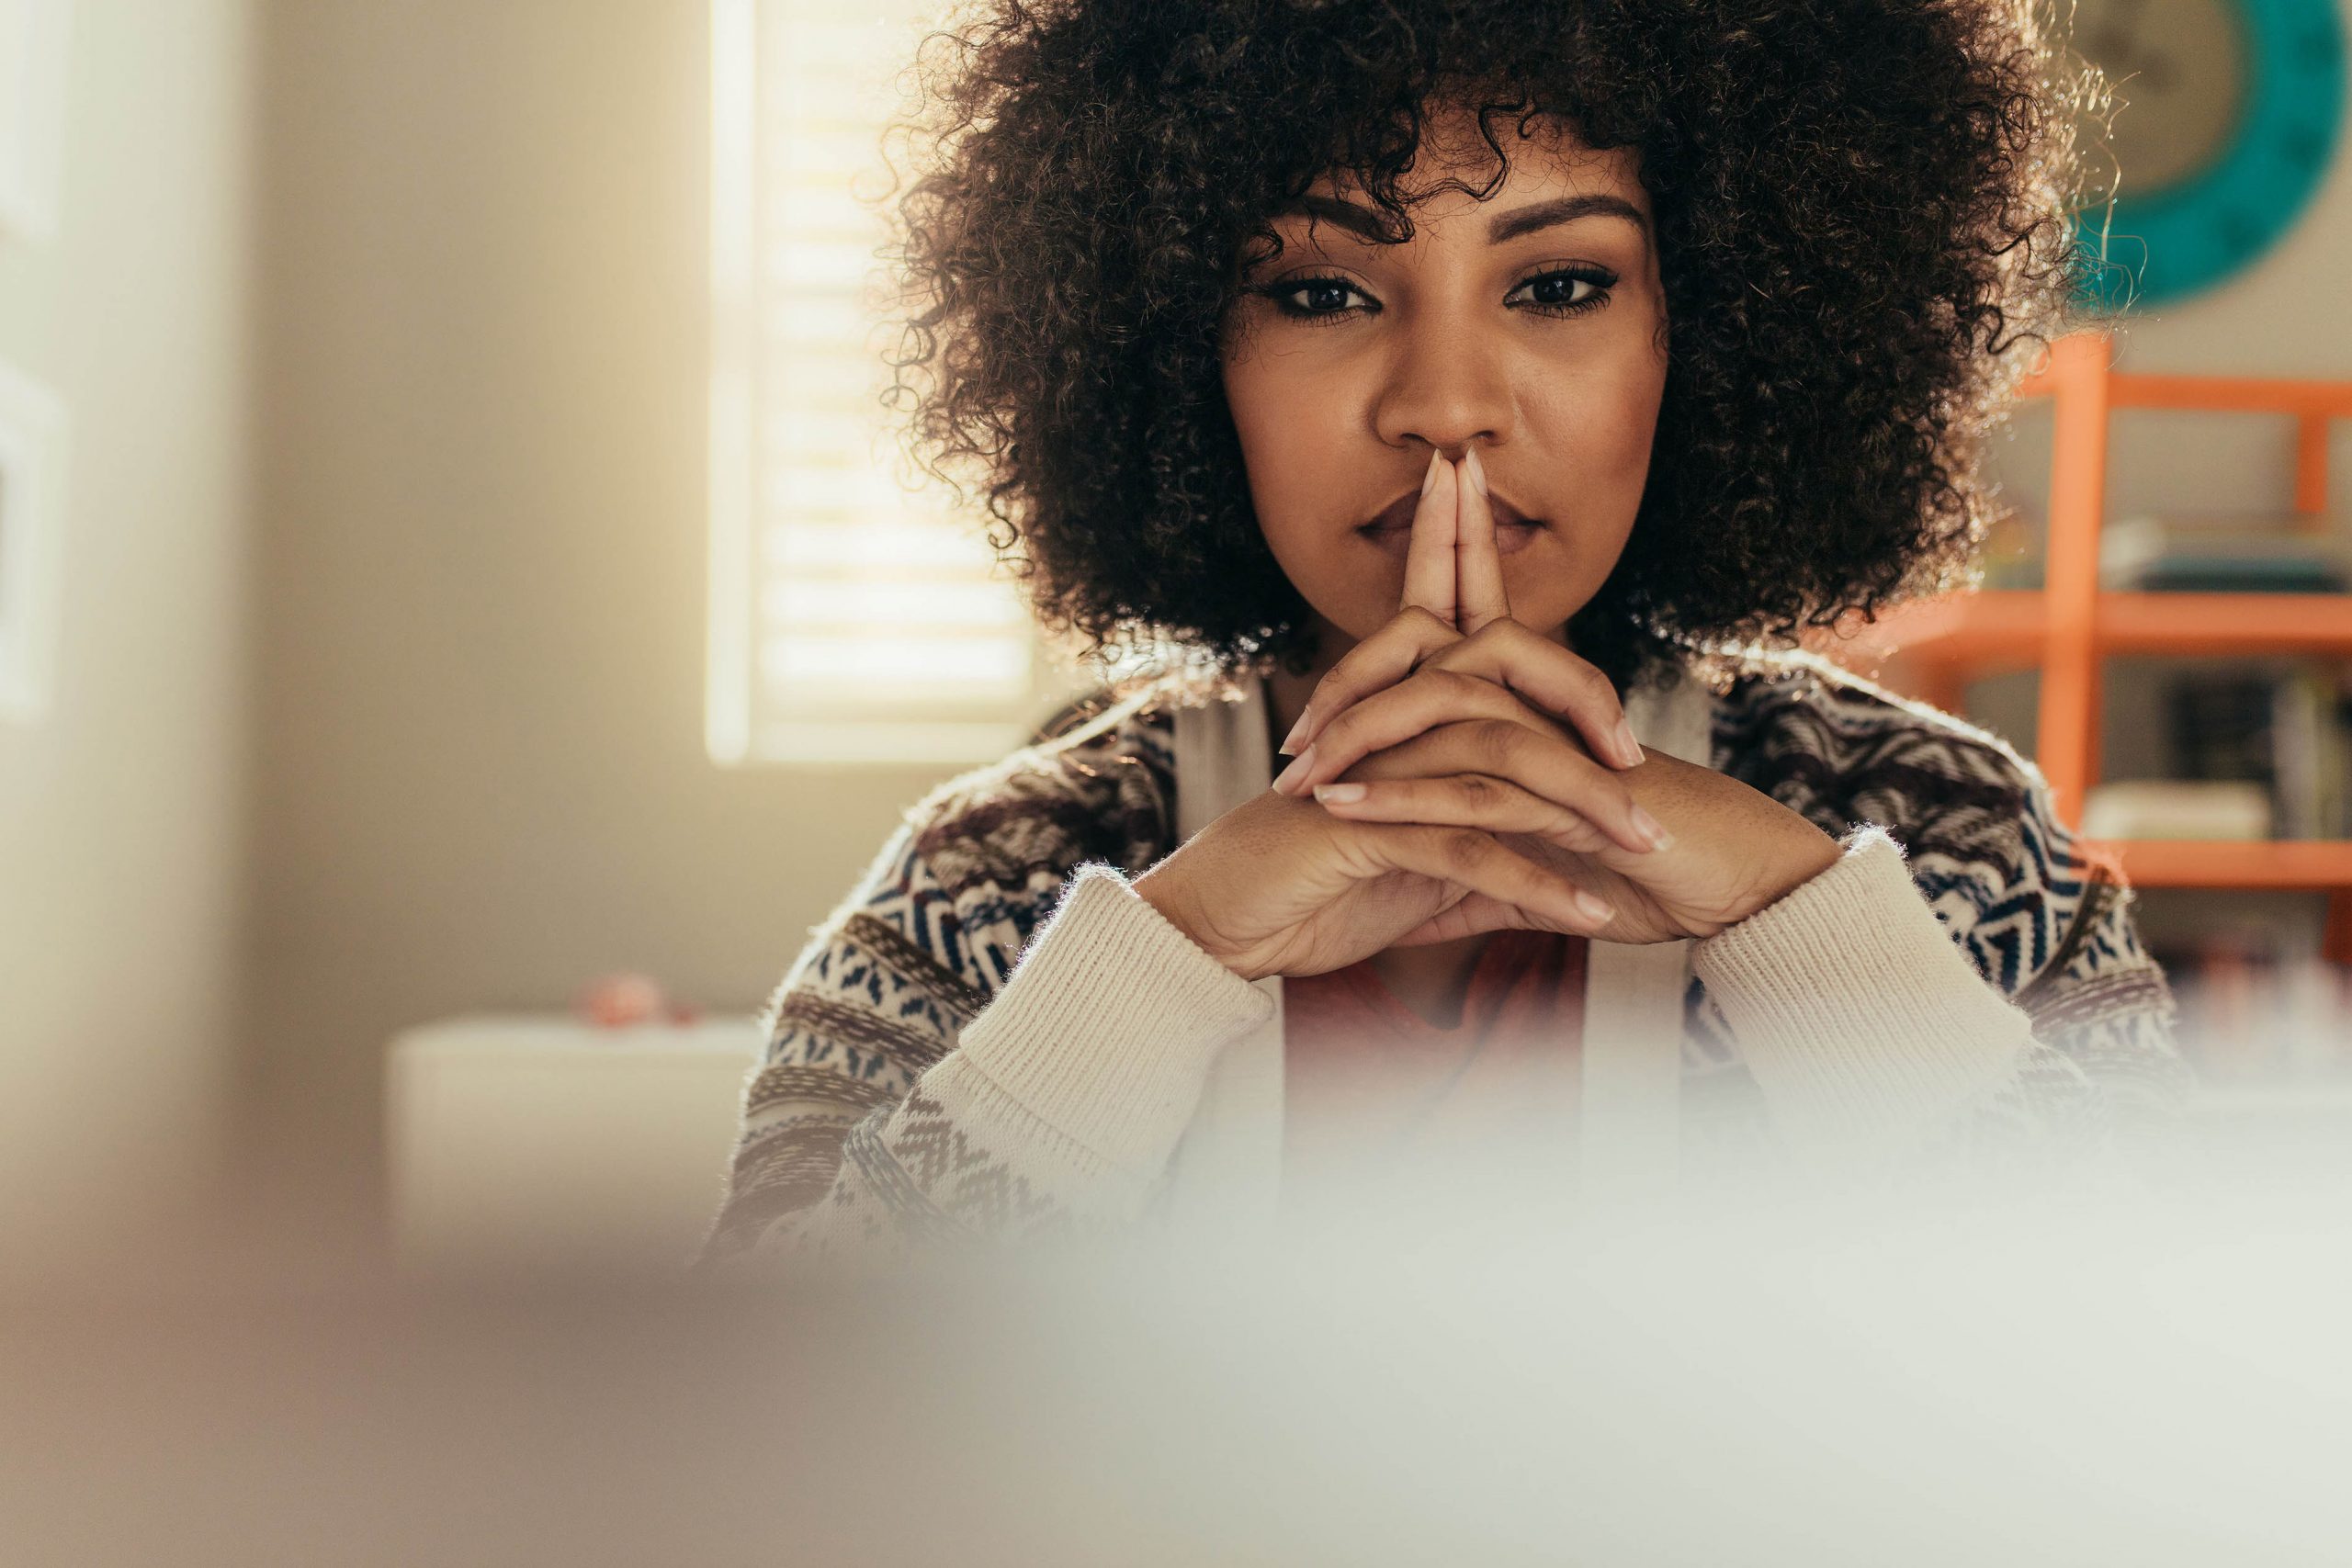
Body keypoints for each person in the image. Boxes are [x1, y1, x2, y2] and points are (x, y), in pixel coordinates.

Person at [692, 0, 2193, 1265]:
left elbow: (2186, 1391)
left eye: (1559, 284)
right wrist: (1176, 953)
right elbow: (761, 1438)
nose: (1448, 401)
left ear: (1711, 332)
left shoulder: (1941, 838)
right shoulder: (1011, 870)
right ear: (1178, 353)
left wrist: (1796, 921)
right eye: (1322, 289)